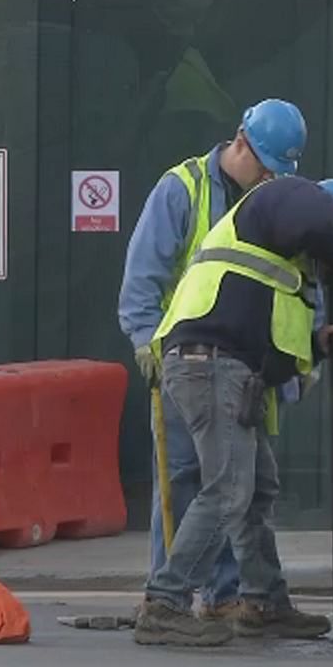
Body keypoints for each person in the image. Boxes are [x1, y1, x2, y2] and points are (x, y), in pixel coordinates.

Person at [133, 176, 333, 647]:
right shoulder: (277, 204)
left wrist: (317, 346)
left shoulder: (275, 267)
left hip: (223, 369)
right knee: (227, 491)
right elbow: (314, 215)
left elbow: (274, 353)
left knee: (257, 485)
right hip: (208, 364)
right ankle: (165, 603)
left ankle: (264, 602)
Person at [118, 99, 309, 623]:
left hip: (242, 367)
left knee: (233, 482)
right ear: (241, 143)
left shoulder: (272, 202)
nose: (268, 181)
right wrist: (146, 341)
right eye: (266, 169)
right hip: (188, 362)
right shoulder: (183, 189)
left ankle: (225, 596)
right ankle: (171, 596)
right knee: (185, 479)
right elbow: (143, 280)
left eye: (278, 174)